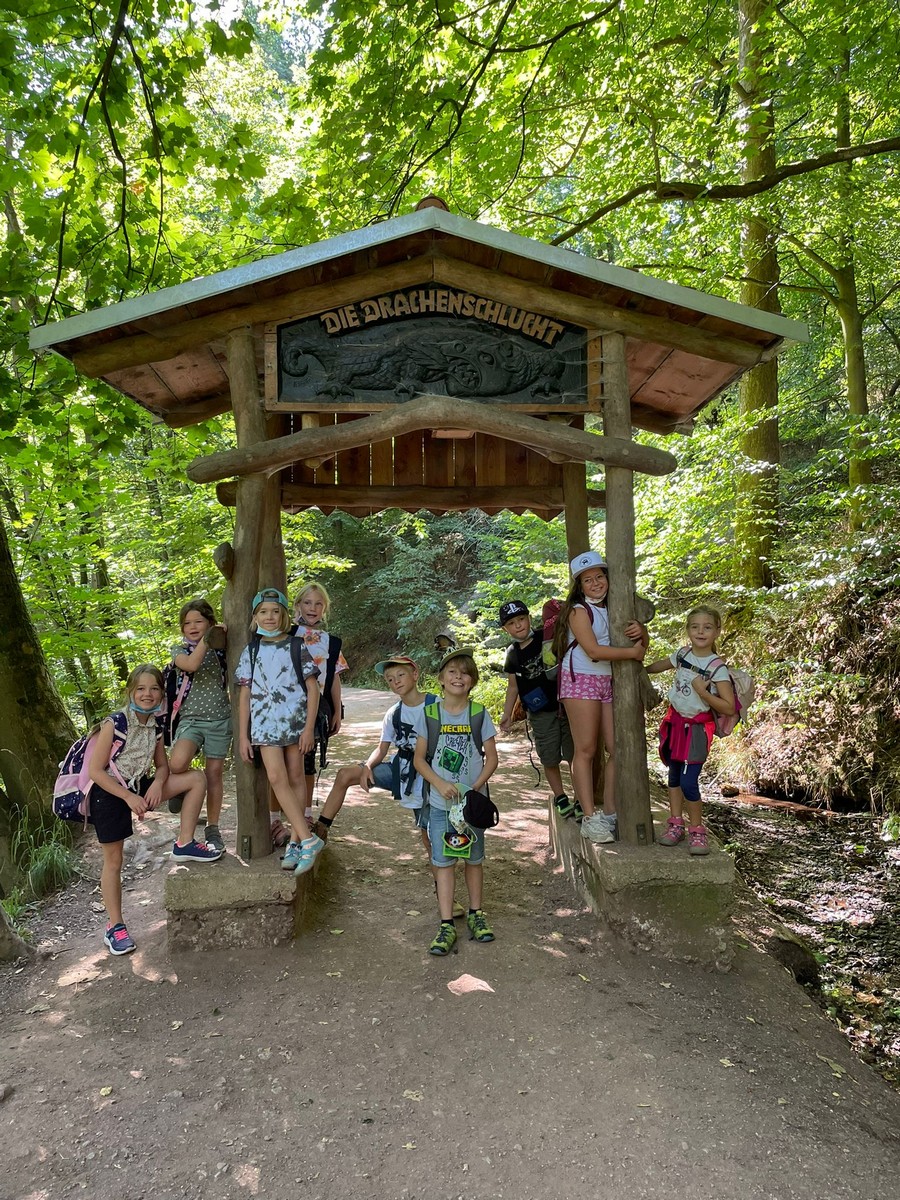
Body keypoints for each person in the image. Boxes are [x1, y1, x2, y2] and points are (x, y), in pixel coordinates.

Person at [88, 664, 222, 956]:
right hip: (109, 792)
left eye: (154, 689)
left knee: (196, 779)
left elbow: (162, 766)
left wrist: (158, 784)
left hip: (139, 785)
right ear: (130, 692)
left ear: (162, 694)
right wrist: (128, 797)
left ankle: (185, 843)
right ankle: (115, 927)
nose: (147, 694)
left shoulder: (156, 725)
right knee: (114, 860)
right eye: (141, 688)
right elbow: (95, 772)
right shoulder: (114, 723)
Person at [552, 551, 647, 845]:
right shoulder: (578, 611)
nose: (595, 583)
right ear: (579, 585)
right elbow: (593, 650)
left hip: (608, 680)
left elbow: (639, 646)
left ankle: (610, 812)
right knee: (586, 749)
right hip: (580, 679)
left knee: (616, 748)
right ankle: (590, 818)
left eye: (599, 576)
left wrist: (642, 632)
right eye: (587, 580)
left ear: (607, 578)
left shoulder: (616, 607)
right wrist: (632, 653)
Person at [412, 648, 499, 956]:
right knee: (443, 862)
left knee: (473, 860)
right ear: (441, 679)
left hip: (471, 807)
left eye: (465, 673)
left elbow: (492, 758)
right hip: (440, 804)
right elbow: (419, 759)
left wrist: (473, 788)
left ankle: (476, 913)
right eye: (452, 672)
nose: (458, 677)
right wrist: (439, 783)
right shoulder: (429, 715)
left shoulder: (479, 713)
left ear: (472, 680)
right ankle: (446, 923)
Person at [234, 588, 324, 876]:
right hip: (264, 727)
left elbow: (313, 689)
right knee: (276, 778)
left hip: (295, 724)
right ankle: (309, 839)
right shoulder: (251, 651)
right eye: (263, 612)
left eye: (275, 611)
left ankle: (296, 843)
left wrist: (309, 729)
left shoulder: (297, 645)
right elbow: (244, 695)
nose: (269, 617)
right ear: (255, 617)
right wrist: (243, 736)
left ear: (284, 615)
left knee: (296, 777)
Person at [645, 606, 735, 856]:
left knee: (688, 782)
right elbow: (660, 665)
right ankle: (676, 825)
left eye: (707, 627)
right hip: (675, 723)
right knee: (673, 778)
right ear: (688, 630)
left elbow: (728, 706)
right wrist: (638, 669)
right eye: (695, 627)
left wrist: (703, 692)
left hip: (696, 730)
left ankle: (697, 830)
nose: (700, 631)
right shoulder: (682, 654)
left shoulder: (717, 667)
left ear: (717, 631)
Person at [497, 598, 574, 817]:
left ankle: (580, 798)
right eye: (512, 623)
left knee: (574, 753)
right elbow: (513, 686)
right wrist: (507, 714)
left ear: (529, 618)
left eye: (521, 619)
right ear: (505, 629)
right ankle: (560, 796)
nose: (518, 625)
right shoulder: (512, 653)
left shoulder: (545, 636)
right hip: (539, 713)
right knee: (549, 756)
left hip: (566, 704)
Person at [166, 599, 231, 852]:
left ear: (210, 622)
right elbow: (191, 665)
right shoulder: (179, 650)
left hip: (220, 719)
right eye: (187, 623)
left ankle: (212, 828)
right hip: (191, 719)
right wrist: (208, 638)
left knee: (214, 774)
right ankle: (180, 789)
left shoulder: (223, 650)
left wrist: (221, 636)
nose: (192, 627)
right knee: (177, 763)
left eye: (198, 621)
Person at [284, 581, 349, 834]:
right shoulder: (284, 634)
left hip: (315, 709)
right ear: (297, 605)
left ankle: (306, 815)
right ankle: (274, 819)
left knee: (307, 762)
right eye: (307, 602)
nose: (312, 608)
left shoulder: (330, 642)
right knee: (280, 765)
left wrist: (337, 711)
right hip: (285, 707)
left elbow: (334, 678)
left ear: (325, 608)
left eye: (318, 603)